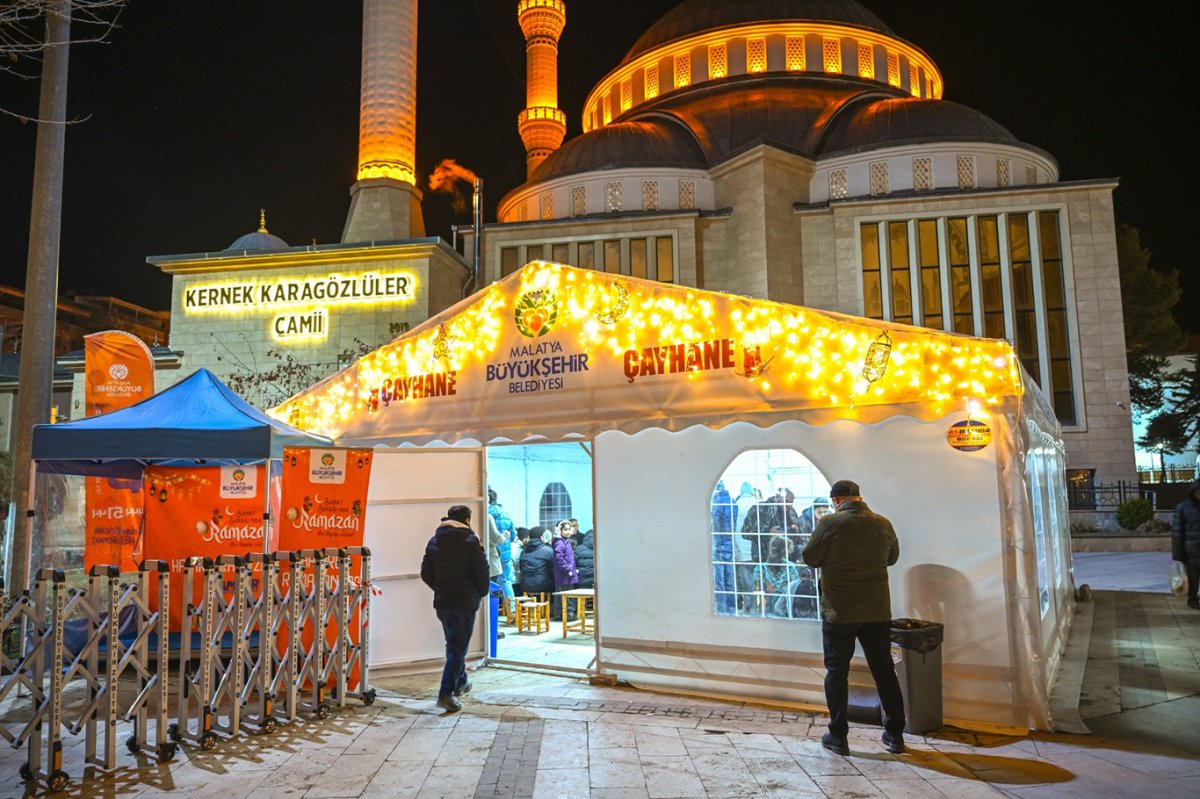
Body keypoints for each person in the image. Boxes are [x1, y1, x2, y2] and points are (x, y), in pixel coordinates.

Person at [802, 479, 906, 756]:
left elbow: (810, 557)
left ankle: (838, 736)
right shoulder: (882, 523)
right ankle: (895, 734)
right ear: (858, 497)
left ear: (836, 500)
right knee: (884, 670)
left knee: (837, 672)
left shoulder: (830, 523)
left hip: (840, 611)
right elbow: (892, 557)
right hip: (876, 610)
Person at [420, 505, 489, 713]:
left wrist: (441, 588)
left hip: (443, 602)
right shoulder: (470, 541)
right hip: (465, 603)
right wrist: (480, 592)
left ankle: (461, 683)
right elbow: (482, 571)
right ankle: (445, 693)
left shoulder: (434, 540)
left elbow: (425, 572)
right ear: (467, 519)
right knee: (458, 649)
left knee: (453, 645)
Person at [752, 535, 798, 617]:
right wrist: (766, 584)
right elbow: (757, 581)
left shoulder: (790, 567)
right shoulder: (762, 567)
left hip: (783, 601)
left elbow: (794, 586)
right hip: (773, 602)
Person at [1172, 478, 1200, 610]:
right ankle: (1192, 599)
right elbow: (1177, 533)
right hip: (1192, 551)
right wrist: (1178, 555)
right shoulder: (1183, 508)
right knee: (1193, 578)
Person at [711, 480, 737, 614]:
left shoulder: (717, 502)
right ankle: (732, 609)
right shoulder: (733, 502)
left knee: (719, 581)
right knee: (730, 580)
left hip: (718, 545)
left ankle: (722, 610)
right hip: (730, 545)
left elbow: (713, 523)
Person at [488, 489, 517, 601]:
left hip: (491, 553)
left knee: (491, 582)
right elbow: (513, 534)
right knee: (506, 580)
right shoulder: (506, 513)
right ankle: (512, 610)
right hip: (505, 551)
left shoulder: (485, 513)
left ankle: (491, 610)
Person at [551, 519, 579, 621]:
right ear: (559, 531)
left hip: (567, 573)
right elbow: (559, 560)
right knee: (567, 595)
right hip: (565, 574)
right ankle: (568, 614)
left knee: (562, 594)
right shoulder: (560, 543)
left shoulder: (565, 542)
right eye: (565, 529)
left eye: (569, 529)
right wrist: (568, 569)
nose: (568, 531)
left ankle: (559, 614)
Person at [519, 526, 555, 598]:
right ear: (542, 537)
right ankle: (549, 608)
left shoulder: (523, 551)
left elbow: (521, 568)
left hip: (525, 585)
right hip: (543, 586)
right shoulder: (548, 550)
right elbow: (553, 569)